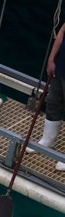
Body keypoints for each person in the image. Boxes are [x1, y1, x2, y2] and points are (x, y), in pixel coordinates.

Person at [26, 23, 65, 171]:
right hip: (61, 67)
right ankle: (48, 139)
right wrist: (51, 59)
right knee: (53, 102)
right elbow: (62, 30)